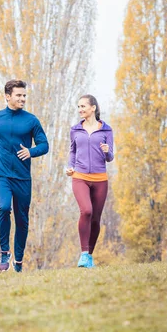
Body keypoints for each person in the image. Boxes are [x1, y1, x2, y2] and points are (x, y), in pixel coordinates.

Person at [0, 80, 49, 273]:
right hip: (1, 175)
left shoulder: (31, 120)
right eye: (18, 95)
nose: (22, 98)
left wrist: (31, 152)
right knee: (3, 207)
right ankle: (4, 252)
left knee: (22, 220)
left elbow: (44, 145)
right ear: (7, 96)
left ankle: (18, 260)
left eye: (24, 95)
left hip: (23, 178)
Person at [66, 94, 114, 268]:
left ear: (93, 108)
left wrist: (107, 151)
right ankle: (83, 253)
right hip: (80, 177)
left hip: (100, 178)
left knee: (95, 219)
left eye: (83, 106)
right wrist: (70, 166)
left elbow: (110, 158)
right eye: (78, 107)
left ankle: (89, 257)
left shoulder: (106, 130)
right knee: (86, 211)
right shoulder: (75, 129)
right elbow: (72, 151)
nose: (80, 110)